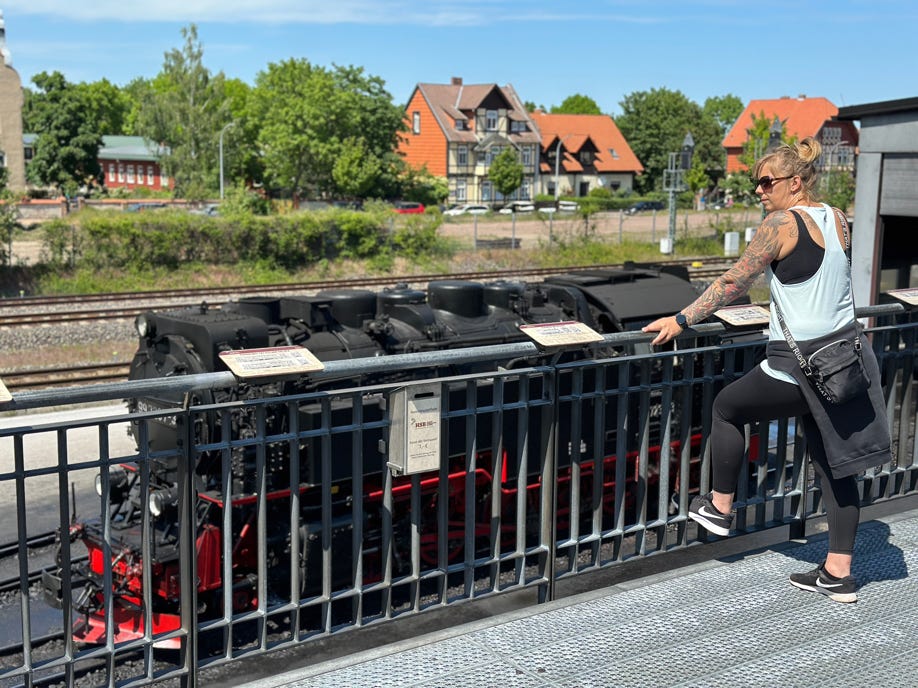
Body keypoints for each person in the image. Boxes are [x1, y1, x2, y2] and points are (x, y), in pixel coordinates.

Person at [642, 137, 890, 603]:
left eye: (765, 181)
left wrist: (681, 320)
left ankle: (719, 507)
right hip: (843, 361)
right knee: (834, 465)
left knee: (726, 407)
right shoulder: (837, 218)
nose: (758, 190)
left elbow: (735, 279)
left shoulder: (781, 222)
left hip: (797, 365)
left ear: (794, 183)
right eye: (755, 182)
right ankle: (838, 576)